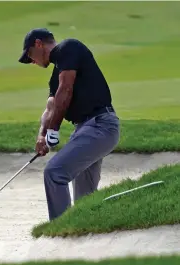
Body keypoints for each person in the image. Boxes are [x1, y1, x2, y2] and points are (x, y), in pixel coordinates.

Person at [18, 28, 120, 221]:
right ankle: (84, 233)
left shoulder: (68, 48)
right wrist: (42, 135)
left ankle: (60, 231)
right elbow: (50, 107)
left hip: (101, 125)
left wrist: (54, 130)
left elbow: (66, 90)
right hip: (86, 130)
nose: (32, 61)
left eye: (30, 55)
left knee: (54, 173)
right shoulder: (56, 74)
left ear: (39, 44)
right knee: (84, 196)